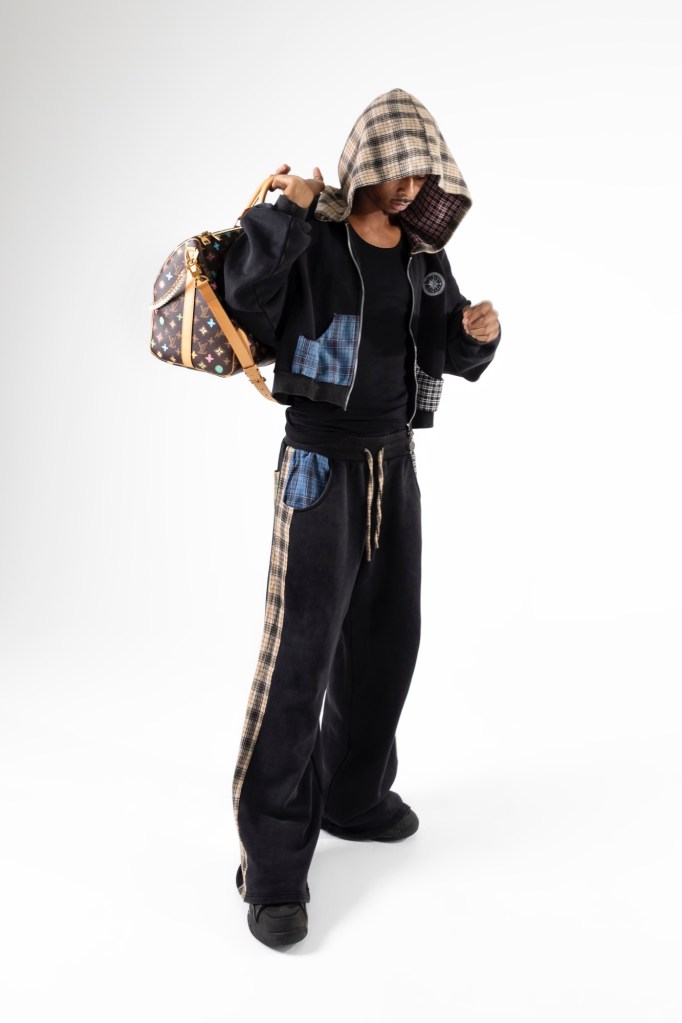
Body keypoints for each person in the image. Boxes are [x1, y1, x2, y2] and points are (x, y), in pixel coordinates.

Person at [223, 88, 501, 949]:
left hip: (394, 465)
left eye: (423, 169)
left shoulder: (424, 256)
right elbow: (243, 295)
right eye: (399, 168)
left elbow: (448, 352)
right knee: (299, 659)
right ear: (367, 165)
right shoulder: (315, 238)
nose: (412, 183)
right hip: (319, 470)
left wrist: (477, 335)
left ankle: (352, 796)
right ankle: (273, 867)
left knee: (388, 641)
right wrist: (288, 214)